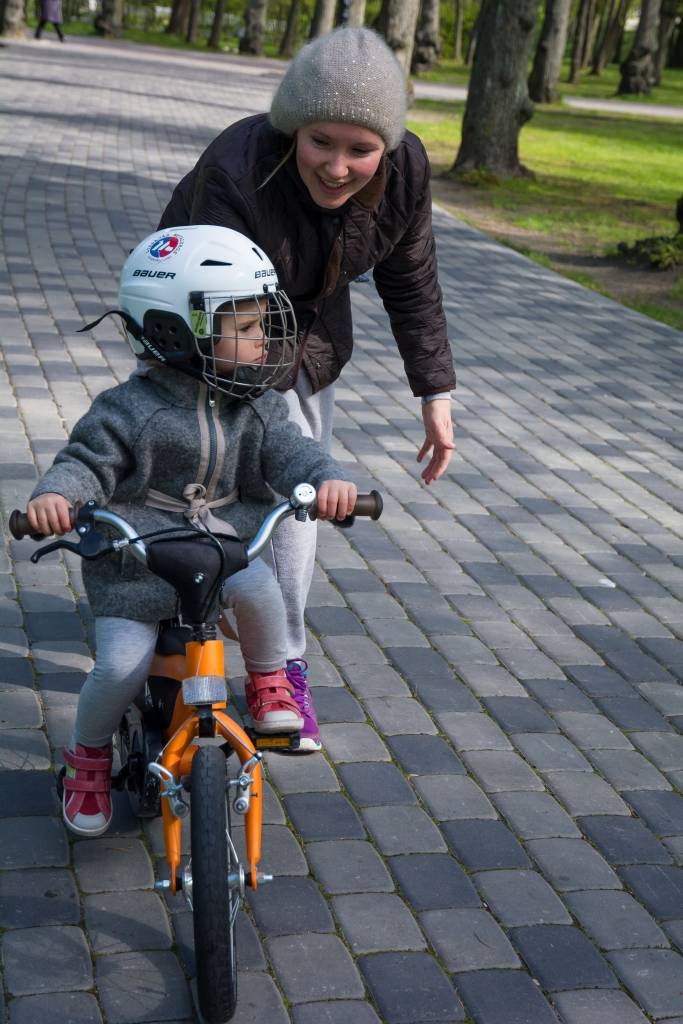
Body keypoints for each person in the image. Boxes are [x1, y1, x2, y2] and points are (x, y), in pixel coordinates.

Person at [158, 26, 456, 729]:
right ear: (293, 127)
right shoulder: (236, 169)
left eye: (361, 149)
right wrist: (249, 420)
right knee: (188, 466)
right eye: (321, 142)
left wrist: (435, 394)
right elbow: (220, 312)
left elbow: (411, 281)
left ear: (388, 146)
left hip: (311, 330)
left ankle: (279, 665)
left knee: (296, 488)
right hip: (198, 315)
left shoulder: (406, 171)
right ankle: (174, 613)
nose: (338, 167)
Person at [26, 225, 357, 837]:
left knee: (263, 592)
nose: (263, 340)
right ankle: (87, 756)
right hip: (136, 563)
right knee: (120, 667)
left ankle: (269, 680)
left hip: (222, 549)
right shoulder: (128, 409)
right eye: (247, 327)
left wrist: (326, 480)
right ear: (178, 331)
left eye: (263, 324)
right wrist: (56, 496)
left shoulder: (255, 403)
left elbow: (292, 451)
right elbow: (85, 462)